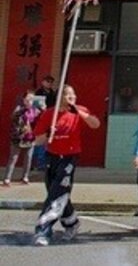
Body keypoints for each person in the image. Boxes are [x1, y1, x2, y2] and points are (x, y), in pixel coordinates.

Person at [31, 84, 101, 246]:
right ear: (59, 97)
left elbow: (95, 124)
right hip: (52, 156)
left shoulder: (78, 111)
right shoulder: (50, 114)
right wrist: (49, 133)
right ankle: (71, 222)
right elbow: (38, 140)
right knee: (54, 190)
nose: (72, 97)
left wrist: (79, 111)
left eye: (73, 94)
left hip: (70, 157)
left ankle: (43, 230)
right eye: (68, 94)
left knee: (58, 192)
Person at [3, 91, 40, 185]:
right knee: (13, 158)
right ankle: (7, 178)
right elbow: (13, 117)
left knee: (28, 158)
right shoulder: (19, 109)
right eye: (27, 99)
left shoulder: (36, 110)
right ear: (24, 100)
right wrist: (21, 111)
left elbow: (41, 120)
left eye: (31, 99)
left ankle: (25, 177)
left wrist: (43, 108)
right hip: (18, 137)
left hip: (30, 137)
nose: (29, 101)